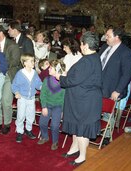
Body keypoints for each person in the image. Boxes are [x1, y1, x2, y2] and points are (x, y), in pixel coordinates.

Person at [56, 31, 102, 166]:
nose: (80, 46)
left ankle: (82, 156)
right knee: (76, 126)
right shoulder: (92, 57)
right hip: (80, 99)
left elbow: (73, 80)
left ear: (85, 45)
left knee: (82, 129)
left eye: (81, 43)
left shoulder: (88, 61)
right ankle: (74, 148)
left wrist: (60, 77)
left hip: (85, 101)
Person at [99, 27, 131, 145]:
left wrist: (118, 90)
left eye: (108, 36)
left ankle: (106, 137)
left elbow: (127, 74)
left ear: (117, 37)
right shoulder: (104, 47)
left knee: (108, 112)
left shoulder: (126, 52)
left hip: (112, 88)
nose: (105, 38)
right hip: (97, 85)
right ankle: (95, 130)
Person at [0, 24, 21, 135]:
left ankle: (7, 124)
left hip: (8, 75)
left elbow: (15, 61)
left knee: (6, 101)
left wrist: (2, 64)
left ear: (0, 33)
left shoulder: (13, 45)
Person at [11, 53, 42, 143]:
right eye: (31, 61)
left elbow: (38, 83)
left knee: (31, 115)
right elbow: (14, 85)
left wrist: (42, 87)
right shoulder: (20, 74)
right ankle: (20, 131)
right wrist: (16, 92)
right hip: (22, 98)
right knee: (20, 116)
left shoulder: (34, 73)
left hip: (31, 98)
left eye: (33, 61)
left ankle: (28, 129)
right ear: (25, 63)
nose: (33, 63)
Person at [38, 59, 65, 150]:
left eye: (50, 68)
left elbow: (64, 98)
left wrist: (62, 110)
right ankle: (45, 136)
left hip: (58, 106)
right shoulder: (47, 79)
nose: (48, 69)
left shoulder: (64, 82)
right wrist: (44, 106)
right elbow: (43, 94)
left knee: (54, 125)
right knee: (42, 122)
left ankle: (55, 141)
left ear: (57, 70)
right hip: (47, 105)